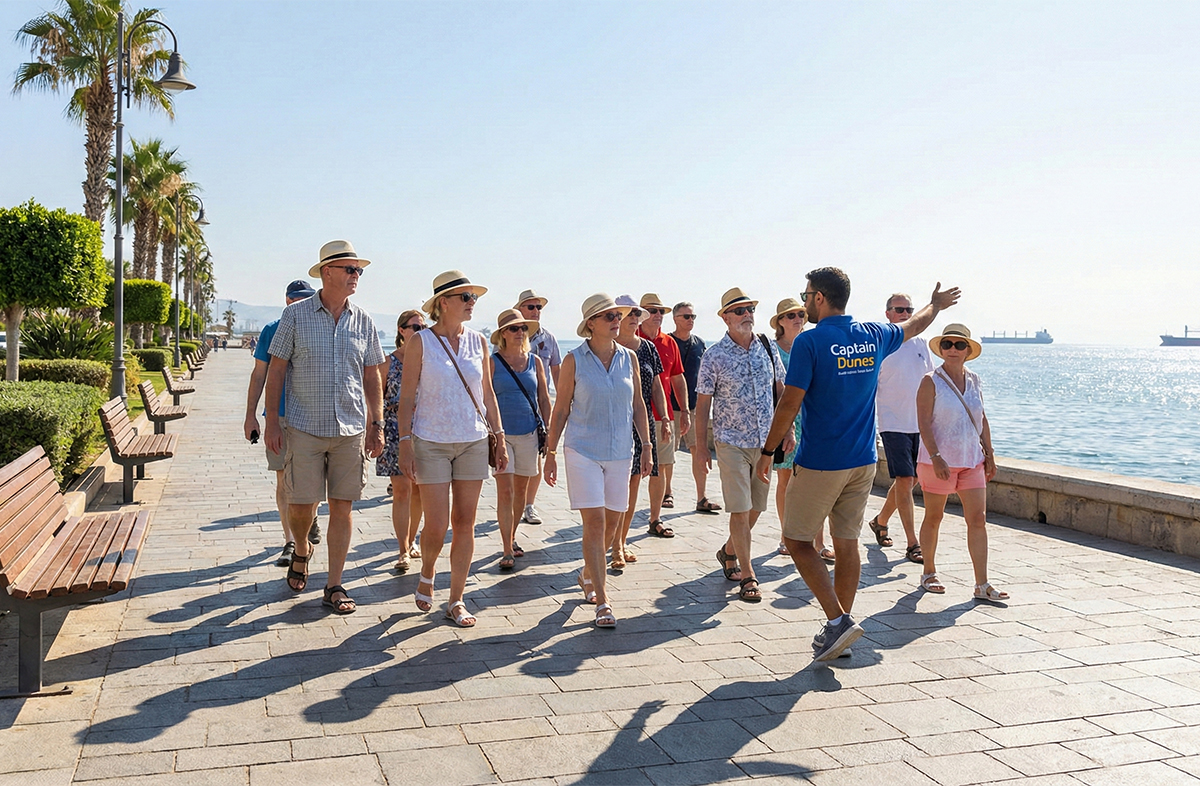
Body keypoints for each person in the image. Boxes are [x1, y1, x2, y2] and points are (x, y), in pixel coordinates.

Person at [756, 268, 960, 661]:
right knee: (846, 543)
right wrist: (934, 305)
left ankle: (838, 622)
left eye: (806, 295)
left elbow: (790, 401)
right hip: (864, 460)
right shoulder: (873, 335)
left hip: (821, 461)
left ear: (819, 298)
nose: (804, 301)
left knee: (797, 541)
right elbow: (914, 326)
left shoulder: (810, 341)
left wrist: (768, 451)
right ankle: (839, 633)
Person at [264, 241, 387, 616]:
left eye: (359, 270)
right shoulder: (295, 316)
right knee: (302, 506)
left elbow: (372, 375)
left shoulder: (363, 320)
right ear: (327, 272)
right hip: (304, 426)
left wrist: (377, 423)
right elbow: (276, 369)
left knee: (342, 507)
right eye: (350, 269)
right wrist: (271, 422)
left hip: (350, 429)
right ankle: (302, 547)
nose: (356, 276)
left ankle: (334, 584)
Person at [395, 271, 508, 628]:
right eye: (465, 297)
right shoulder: (421, 342)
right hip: (431, 441)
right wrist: (404, 442)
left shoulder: (479, 342)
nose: (472, 303)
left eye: (474, 297)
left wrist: (499, 435)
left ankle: (456, 599)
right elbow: (407, 398)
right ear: (443, 303)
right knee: (437, 523)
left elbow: (487, 393)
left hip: (473, 440)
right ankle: (428, 570)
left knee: (464, 522)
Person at [543, 293, 652, 628]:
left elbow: (638, 404)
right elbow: (561, 409)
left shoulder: (629, 358)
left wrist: (647, 445)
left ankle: (588, 573)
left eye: (618, 316)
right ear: (590, 323)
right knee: (595, 523)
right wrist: (550, 453)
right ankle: (603, 601)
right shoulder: (574, 360)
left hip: (621, 451)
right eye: (609, 316)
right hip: (582, 451)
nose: (617, 320)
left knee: (613, 524)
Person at [695, 288, 790, 604]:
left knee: (756, 507)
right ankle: (748, 575)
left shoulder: (767, 347)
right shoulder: (713, 356)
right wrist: (699, 447)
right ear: (725, 317)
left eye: (750, 309)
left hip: (765, 443)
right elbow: (703, 405)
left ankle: (728, 550)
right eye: (739, 310)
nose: (747, 314)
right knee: (739, 507)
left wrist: (787, 429)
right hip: (730, 442)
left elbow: (781, 391)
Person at [915, 324, 1006, 601]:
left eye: (959, 344)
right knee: (934, 516)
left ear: (968, 350)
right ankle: (928, 572)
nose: (952, 349)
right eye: (947, 344)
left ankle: (982, 584)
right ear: (941, 349)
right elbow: (923, 423)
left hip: (971, 460)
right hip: (938, 462)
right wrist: (935, 456)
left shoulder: (975, 380)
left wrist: (989, 453)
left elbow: (981, 417)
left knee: (978, 519)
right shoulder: (930, 381)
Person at [244, 279, 322, 568]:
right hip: (280, 417)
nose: (301, 303)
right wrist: (251, 415)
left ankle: (310, 517)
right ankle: (290, 541)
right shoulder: (272, 330)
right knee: (283, 479)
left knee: (313, 481)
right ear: (287, 301)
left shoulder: (320, 328)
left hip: (313, 417)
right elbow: (259, 375)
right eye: (296, 299)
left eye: (306, 299)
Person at [870, 293, 936, 564]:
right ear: (888, 313)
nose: (906, 314)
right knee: (905, 481)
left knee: (911, 481)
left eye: (909, 309)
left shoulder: (921, 343)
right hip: (892, 424)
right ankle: (912, 543)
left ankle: (880, 521)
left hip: (920, 424)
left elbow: (933, 383)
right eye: (899, 310)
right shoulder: (881, 344)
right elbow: (868, 387)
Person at [489, 308, 552, 571]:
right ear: (503, 334)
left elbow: (544, 398)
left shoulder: (535, 362)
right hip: (502, 436)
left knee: (520, 493)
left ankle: (512, 536)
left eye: (523, 328)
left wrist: (550, 432)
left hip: (529, 434)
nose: (520, 332)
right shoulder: (492, 362)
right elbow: (486, 398)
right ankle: (507, 548)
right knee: (505, 491)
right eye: (514, 328)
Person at [612, 295, 667, 568]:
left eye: (637, 313)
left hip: (641, 421)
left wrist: (664, 417)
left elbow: (656, 386)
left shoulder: (647, 348)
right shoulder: (607, 348)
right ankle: (612, 541)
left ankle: (620, 542)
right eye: (629, 313)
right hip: (614, 423)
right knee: (616, 485)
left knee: (634, 482)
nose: (634, 317)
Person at [769, 298, 824, 558]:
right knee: (785, 481)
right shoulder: (772, 350)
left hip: (812, 419)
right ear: (780, 321)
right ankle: (786, 536)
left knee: (816, 482)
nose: (797, 319)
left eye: (800, 314)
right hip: (785, 420)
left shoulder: (811, 344)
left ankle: (819, 541)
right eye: (790, 315)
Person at [377, 310, 426, 573]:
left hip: (424, 429)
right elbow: (377, 398)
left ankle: (412, 539)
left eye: (423, 327)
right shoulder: (388, 363)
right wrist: (375, 429)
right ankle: (402, 549)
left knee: (419, 490)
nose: (420, 332)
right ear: (401, 330)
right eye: (415, 327)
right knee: (402, 491)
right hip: (395, 429)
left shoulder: (428, 361)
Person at [638, 294, 689, 530]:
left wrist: (684, 411)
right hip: (632, 417)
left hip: (663, 416)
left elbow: (678, 379)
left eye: (661, 311)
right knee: (630, 472)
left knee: (660, 468)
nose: (658, 315)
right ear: (641, 314)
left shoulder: (669, 343)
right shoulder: (628, 339)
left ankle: (655, 518)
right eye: (653, 310)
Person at [514, 289, 561, 527]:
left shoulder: (549, 338)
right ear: (520, 309)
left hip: (539, 407)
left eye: (538, 307)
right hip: (513, 407)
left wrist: (563, 402)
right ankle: (512, 503)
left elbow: (557, 371)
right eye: (531, 307)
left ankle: (528, 505)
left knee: (536, 459)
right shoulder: (509, 335)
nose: (536, 311)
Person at [671, 301, 721, 514]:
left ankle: (701, 497)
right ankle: (667, 493)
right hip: (670, 407)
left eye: (692, 316)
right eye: (686, 316)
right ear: (675, 319)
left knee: (698, 450)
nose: (690, 320)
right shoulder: (668, 342)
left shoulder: (700, 343)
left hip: (694, 406)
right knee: (668, 455)